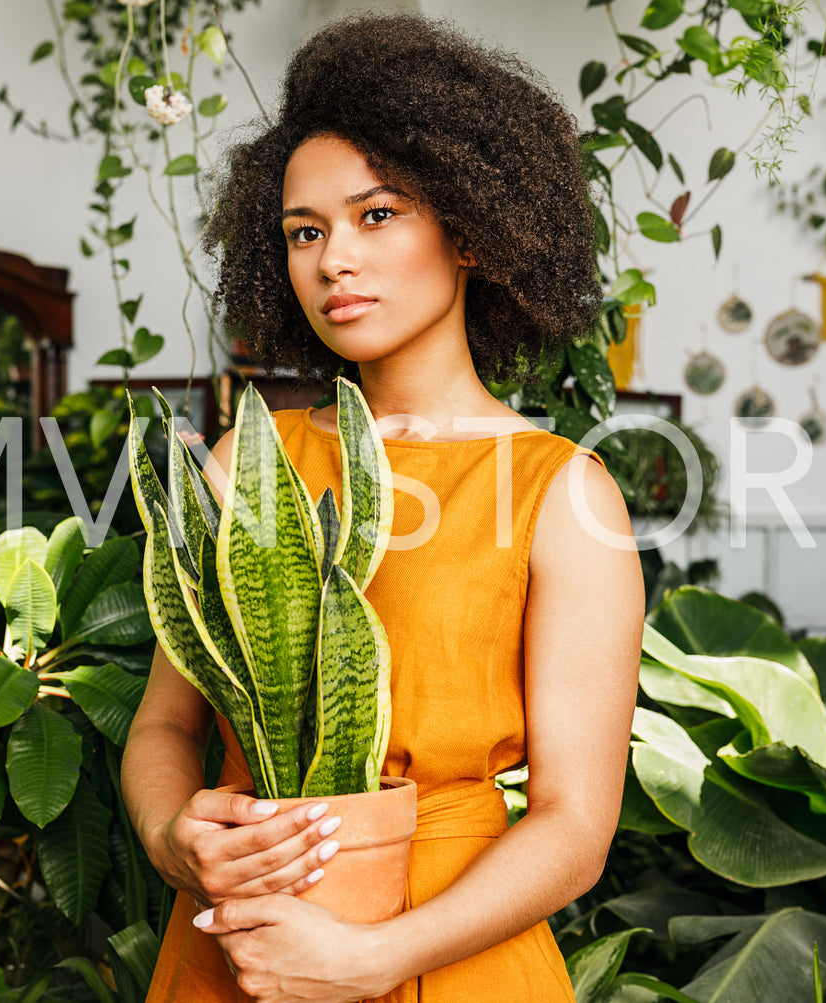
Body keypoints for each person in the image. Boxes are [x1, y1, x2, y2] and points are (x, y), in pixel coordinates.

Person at [120, 14, 643, 1002]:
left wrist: (376, 957)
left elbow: (575, 826)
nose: (332, 262)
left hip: (450, 958)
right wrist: (173, 838)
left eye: (376, 215)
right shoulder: (254, 456)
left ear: (472, 232)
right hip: (241, 951)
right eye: (303, 232)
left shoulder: (562, 492)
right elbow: (160, 729)